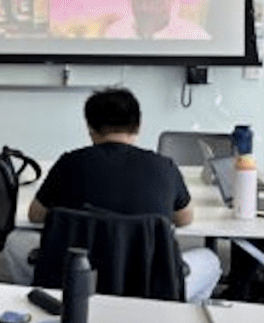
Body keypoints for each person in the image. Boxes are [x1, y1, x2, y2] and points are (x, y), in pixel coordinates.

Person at [28, 87, 221, 302]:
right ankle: (178, 319)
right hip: (151, 288)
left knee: (17, 248)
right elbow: (184, 218)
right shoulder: (164, 166)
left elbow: (36, 214)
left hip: (77, 282)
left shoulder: (69, 163)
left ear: (90, 128)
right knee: (211, 261)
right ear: (138, 126)